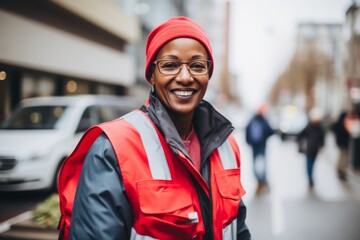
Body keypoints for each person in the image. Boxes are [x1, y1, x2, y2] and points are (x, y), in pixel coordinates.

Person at [59, 16, 251, 240]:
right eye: (170, 65)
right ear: (151, 74)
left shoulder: (227, 146)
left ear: (208, 74)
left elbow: (238, 229)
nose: (185, 77)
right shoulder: (112, 149)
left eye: (197, 66)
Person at [245, 103, 274, 195]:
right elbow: (270, 131)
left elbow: (247, 131)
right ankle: (262, 181)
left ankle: (261, 182)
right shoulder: (263, 120)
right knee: (261, 165)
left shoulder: (252, 120)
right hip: (261, 145)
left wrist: (249, 142)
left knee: (257, 165)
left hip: (255, 146)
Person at [297, 108, 325, 188]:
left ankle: (310, 177)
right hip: (313, 148)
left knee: (309, 164)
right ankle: (310, 178)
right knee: (311, 164)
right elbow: (322, 139)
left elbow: (300, 135)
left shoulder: (310, 126)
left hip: (310, 148)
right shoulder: (318, 127)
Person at [331, 110, 351, 181]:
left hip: (340, 142)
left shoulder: (338, 122)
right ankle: (340, 170)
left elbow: (333, 128)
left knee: (341, 156)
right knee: (343, 157)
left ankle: (340, 169)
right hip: (343, 143)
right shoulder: (344, 123)